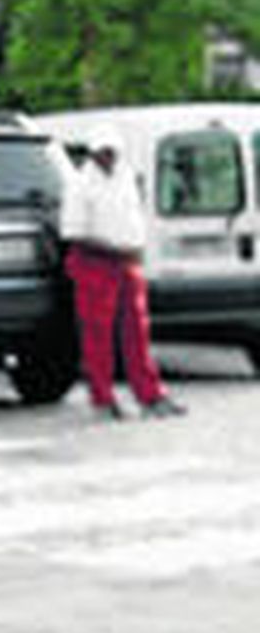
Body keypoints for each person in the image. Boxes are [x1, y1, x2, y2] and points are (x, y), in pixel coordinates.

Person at [59, 122, 186, 421]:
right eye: (102, 152)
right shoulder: (79, 185)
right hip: (95, 263)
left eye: (112, 151)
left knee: (137, 332)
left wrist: (134, 250)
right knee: (97, 334)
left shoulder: (125, 177)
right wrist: (116, 250)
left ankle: (150, 395)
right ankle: (102, 399)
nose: (108, 157)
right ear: (92, 154)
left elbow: (133, 216)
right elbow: (74, 234)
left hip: (127, 262)